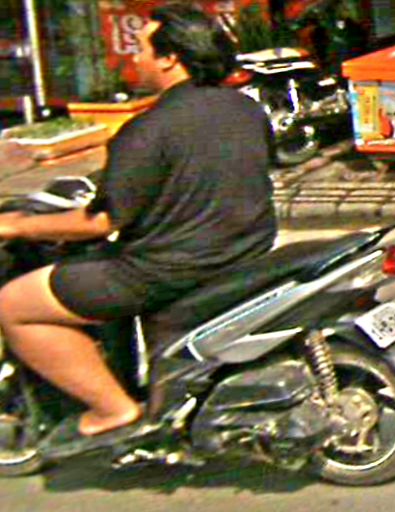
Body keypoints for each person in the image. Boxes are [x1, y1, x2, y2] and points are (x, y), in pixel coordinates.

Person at [0, 3, 276, 453]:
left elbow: (102, 221)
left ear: (169, 58)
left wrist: (18, 226)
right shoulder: (245, 110)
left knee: (12, 304)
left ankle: (113, 409)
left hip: (164, 271)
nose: (134, 59)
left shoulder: (147, 129)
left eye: (141, 49)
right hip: (241, 254)